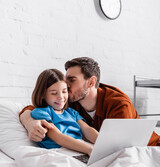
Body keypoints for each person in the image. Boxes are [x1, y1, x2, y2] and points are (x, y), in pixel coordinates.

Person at [20, 57, 160, 146]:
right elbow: (34, 107)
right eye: (65, 79)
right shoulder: (72, 99)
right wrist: (30, 123)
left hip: (150, 147)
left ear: (91, 82)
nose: (66, 85)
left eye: (72, 80)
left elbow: (119, 147)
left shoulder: (118, 103)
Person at [28, 68, 98, 156]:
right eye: (54, 93)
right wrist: (89, 149)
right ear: (42, 95)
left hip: (79, 149)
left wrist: (103, 142)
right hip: (59, 151)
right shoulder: (42, 112)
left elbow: (87, 130)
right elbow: (58, 137)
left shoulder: (71, 112)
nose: (61, 97)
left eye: (64, 91)